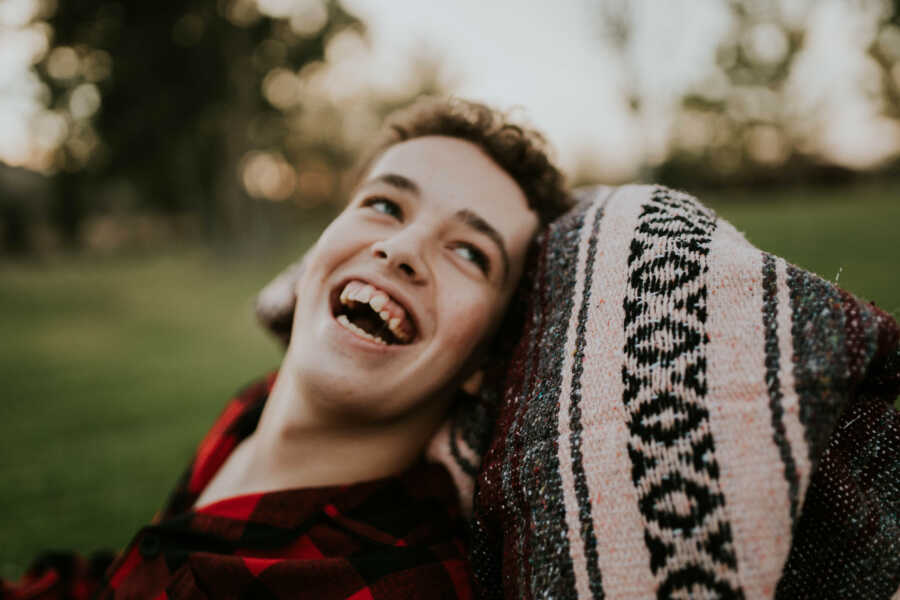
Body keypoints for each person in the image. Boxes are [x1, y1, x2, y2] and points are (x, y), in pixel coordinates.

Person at [3, 97, 571, 600]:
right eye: (385, 205)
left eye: (471, 253)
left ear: (486, 360)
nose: (401, 248)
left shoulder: (400, 583)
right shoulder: (251, 409)